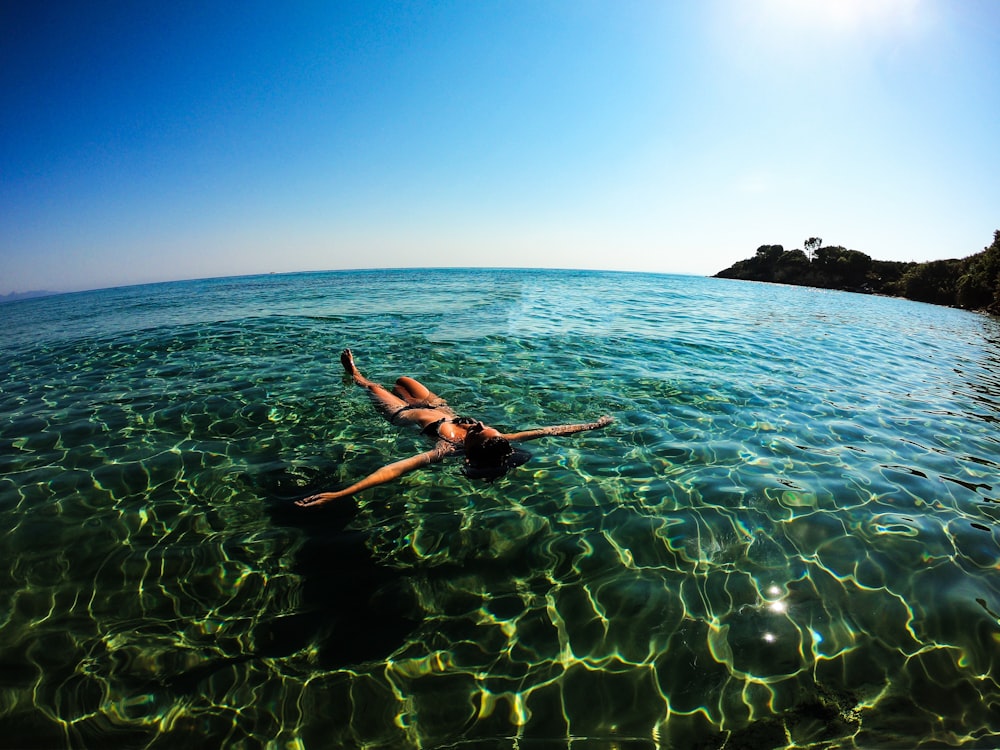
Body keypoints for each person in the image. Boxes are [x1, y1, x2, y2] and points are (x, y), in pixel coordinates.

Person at [295, 350, 613, 507]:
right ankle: (376, 382)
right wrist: (591, 425)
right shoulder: (497, 439)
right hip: (437, 406)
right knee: (403, 379)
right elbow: (547, 431)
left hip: (404, 413)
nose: (478, 424)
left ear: (471, 448)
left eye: (477, 431)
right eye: (486, 426)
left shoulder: (446, 448)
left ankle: (356, 374)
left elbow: (394, 470)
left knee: (375, 386)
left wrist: (340, 493)